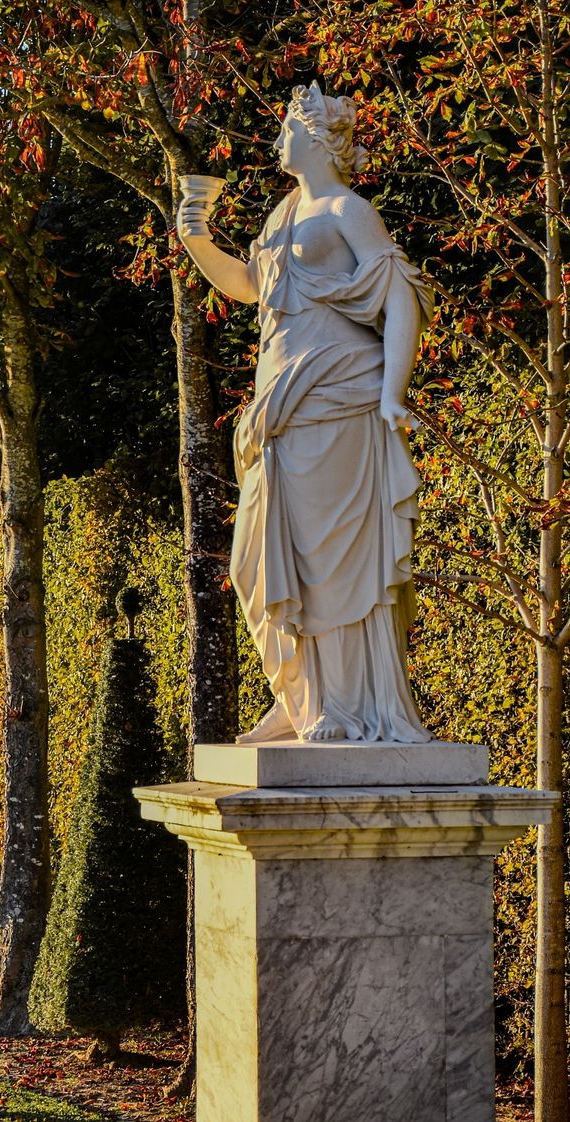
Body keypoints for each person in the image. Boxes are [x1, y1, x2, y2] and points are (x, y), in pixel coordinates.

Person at [179, 82, 432, 743]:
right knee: (259, 561)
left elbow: (400, 297)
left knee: (332, 562)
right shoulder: (282, 214)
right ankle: (299, 696)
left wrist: (391, 393)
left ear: (317, 138)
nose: (277, 139)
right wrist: (196, 237)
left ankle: (342, 708)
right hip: (282, 408)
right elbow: (250, 286)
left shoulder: (349, 211)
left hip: (340, 397)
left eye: (289, 128)